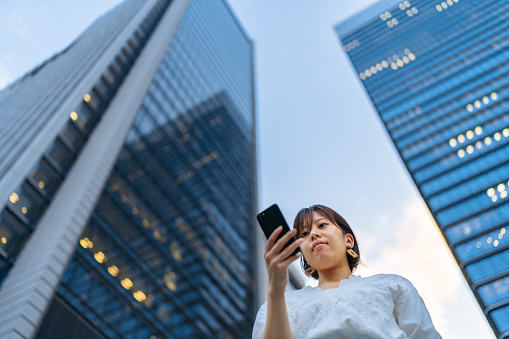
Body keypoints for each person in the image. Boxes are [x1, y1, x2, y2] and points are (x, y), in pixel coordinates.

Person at [252, 204, 441, 339]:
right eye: (303, 234)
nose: (313, 234)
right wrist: (276, 290)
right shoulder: (280, 305)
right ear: (302, 254)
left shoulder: (392, 285)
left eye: (322, 225)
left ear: (348, 240)